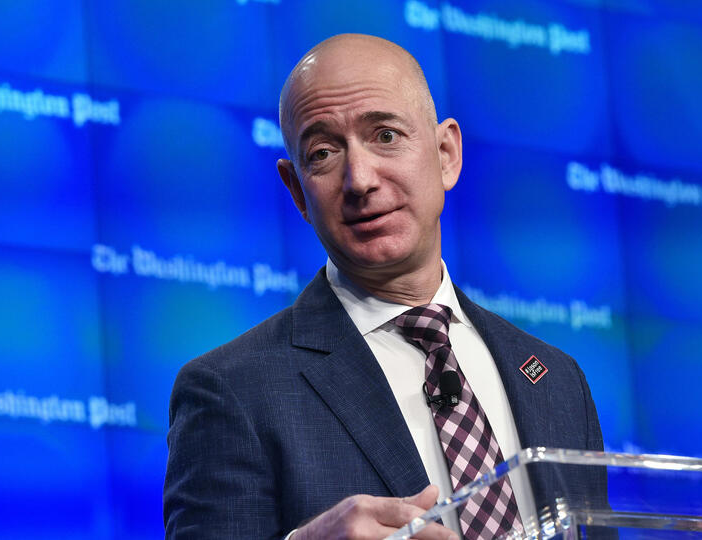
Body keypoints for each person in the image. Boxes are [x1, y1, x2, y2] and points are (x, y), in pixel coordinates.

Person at [164, 34, 605, 540]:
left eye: (386, 136)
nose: (360, 179)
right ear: (297, 192)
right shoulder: (232, 391)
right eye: (324, 152)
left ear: (446, 154)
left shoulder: (557, 382)